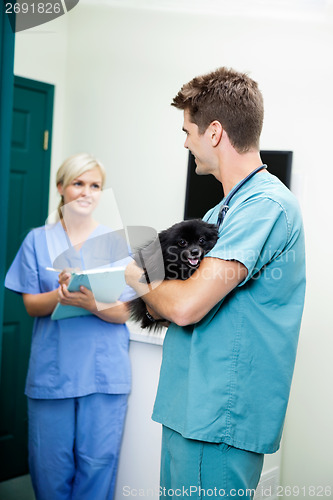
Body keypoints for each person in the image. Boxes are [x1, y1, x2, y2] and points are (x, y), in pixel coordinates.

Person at [125, 67, 306, 498]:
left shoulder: (265, 206)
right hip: (188, 409)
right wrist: (159, 294)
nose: (185, 142)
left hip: (218, 420)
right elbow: (162, 306)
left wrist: (139, 278)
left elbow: (185, 306)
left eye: (187, 131)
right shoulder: (218, 213)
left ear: (215, 132)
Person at [5, 153, 133, 500]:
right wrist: (62, 295)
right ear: (61, 187)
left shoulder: (116, 244)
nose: (87, 192)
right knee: (50, 466)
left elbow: (125, 311)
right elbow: (32, 305)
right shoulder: (37, 240)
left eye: (95, 186)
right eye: (78, 183)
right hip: (54, 373)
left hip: (103, 373)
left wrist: (92, 302)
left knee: (97, 464)